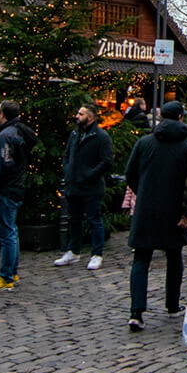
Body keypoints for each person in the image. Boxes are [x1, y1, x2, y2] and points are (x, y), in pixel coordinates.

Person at [124, 102, 187, 331]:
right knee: (174, 257)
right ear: (179, 117)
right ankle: (172, 304)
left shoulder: (144, 142)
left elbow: (130, 173)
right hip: (174, 210)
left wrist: (142, 192)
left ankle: (136, 311)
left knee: (141, 259)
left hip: (146, 208)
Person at [0, 101, 35, 292]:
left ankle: (6, 275)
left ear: (3, 114)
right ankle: (11, 272)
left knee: (6, 234)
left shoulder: (6, 135)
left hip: (6, 189)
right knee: (11, 232)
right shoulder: (19, 131)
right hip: (15, 187)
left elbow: (4, 165)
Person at [57, 104, 113, 271]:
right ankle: (73, 251)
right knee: (74, 219)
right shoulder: (75, 134)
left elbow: (106, 161)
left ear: (91, 117)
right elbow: (67, 154)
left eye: (81, 114)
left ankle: (97, 254)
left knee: (94, 220)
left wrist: (89, 175)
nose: (77, 116)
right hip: (73, 185)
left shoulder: (101, 137)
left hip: (91, 187)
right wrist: (68, 171)